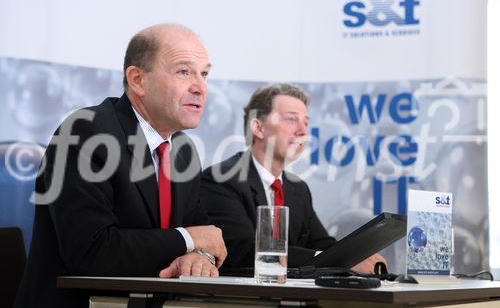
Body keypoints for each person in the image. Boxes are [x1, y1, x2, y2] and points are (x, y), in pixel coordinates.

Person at [14, 24, 227, 308]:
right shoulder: (86, 132)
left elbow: (204, 237)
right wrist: (189, 239)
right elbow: (93, 251)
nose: (200, 87)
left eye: (205, 74)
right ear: (137, 79)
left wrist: (199, 256)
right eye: (184, 72)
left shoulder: (183, 150)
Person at [199, 83, 385, 272]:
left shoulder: (298, 188)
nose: (303, 131)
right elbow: (244, 252)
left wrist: (354, 256)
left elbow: (321, 243)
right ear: (258, 127)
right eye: (291, 120)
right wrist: (336, 261)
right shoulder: (220, 180)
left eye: (306, 122)